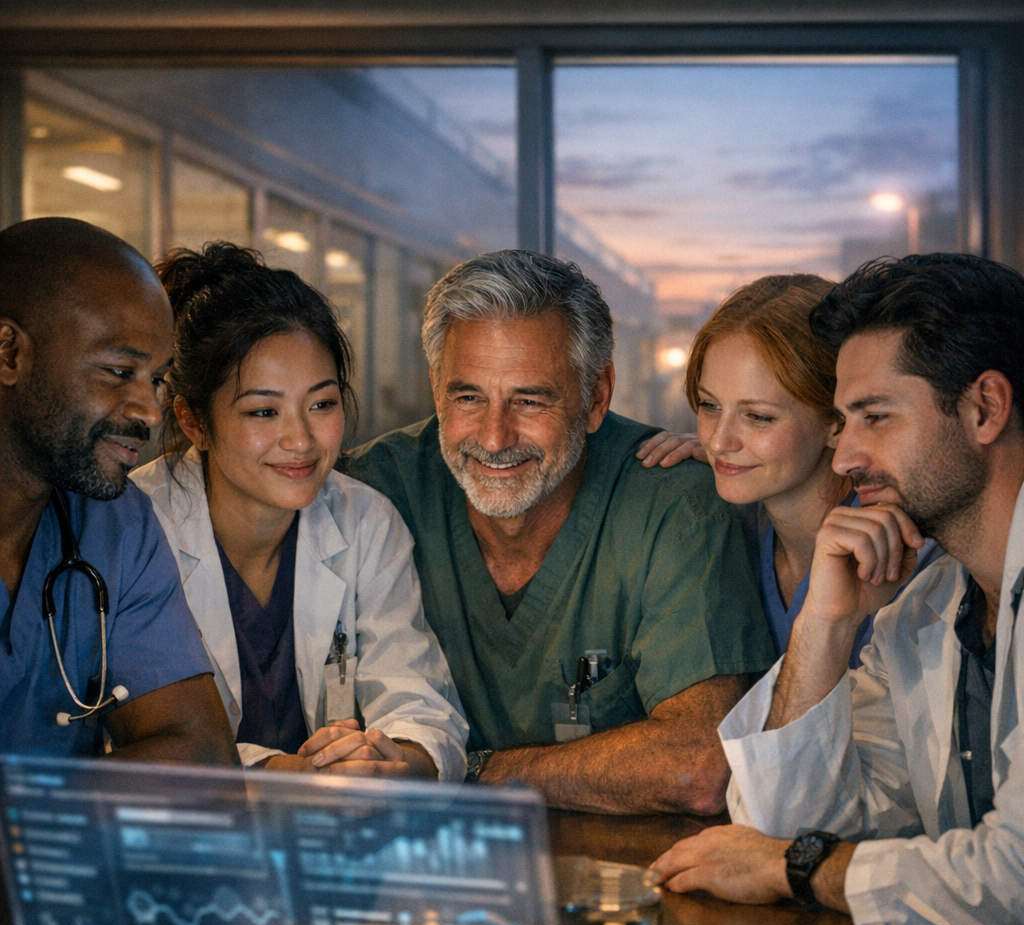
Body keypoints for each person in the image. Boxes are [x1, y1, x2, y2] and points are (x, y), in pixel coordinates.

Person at [652, 254, 1024, 925]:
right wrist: (825, 623)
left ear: (985, 408)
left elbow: (1015, 882)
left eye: (873, 418)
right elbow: (785, 823)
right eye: (844, 420)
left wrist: (795, 869)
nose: (845, 455)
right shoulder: (924, 612)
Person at [340, 249, 776, 814]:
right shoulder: (374, 491)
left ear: (596, 397)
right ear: (435, 386)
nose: (494, 438)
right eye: (468, 396)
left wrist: (458, 770)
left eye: (530, 400)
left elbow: (696, 765)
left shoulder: (670, 502)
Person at [131, 244, 468, 779]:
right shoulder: (136, 531)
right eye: (264, 411)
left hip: (336, 831)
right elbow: (147, 744)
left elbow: (418, 702)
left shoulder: (365, 522)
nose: (301, 439)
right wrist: (292, 776)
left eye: (322, 404)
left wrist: (394, 764)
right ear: (193, 422)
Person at [0, 218, 238, 764]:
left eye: (155, 379)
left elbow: (201, 757)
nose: (150, 412)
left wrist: (29, 825)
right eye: (117, 370)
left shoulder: (116, 524)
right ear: (10, 353)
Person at [637, 274, 941, 666]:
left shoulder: (907, 562)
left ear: (836, 422)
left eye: (758, 417)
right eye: (709, 406)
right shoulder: (726, 529)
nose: (718, 441)